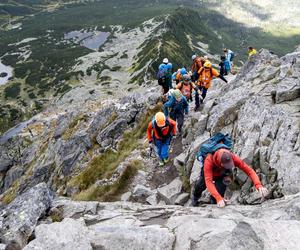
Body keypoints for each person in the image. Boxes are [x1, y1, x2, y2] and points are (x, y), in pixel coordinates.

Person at [192, 148, 269, 207]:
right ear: (220, 162)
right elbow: (208, 181)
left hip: (221, 174)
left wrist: (258, 185)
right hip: (209, 173)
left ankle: (214, 204)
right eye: (226, 165)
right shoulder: (209, 160)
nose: (228, 166)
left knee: (219, 191)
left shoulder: (232, 157)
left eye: (229, 164)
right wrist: (219, 198)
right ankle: (195, 198)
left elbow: (249, 171)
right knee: (200, 186)